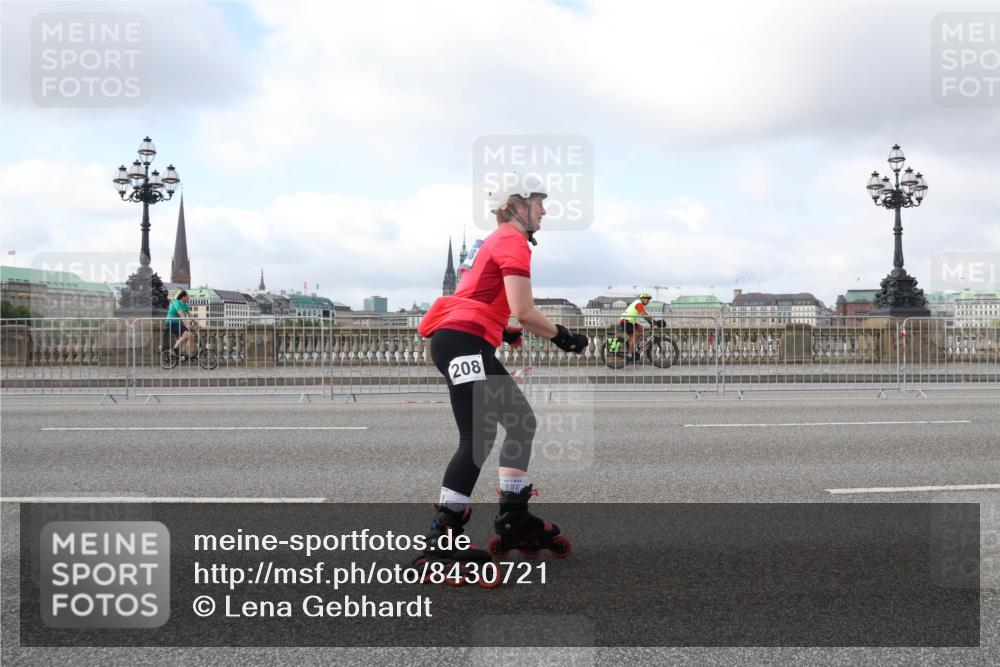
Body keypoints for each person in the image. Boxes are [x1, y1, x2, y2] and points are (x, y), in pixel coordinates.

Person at [416, 172, 587, 566]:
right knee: (477, 437)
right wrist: (565, 337)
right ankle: (445, 533)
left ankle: (513, 514)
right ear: (517, 205)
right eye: (539, 202)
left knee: (521, 422)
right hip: (463, 342)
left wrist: (502, 329)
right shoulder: (513, 241)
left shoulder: (494, 241)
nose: (545, 210)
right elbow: (526, 311)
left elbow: (477, 296)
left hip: (465, 339)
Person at [618, 291, 665, 362]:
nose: (648, 301)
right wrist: (655, 321)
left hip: (630, 322)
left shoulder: (640, 304)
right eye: (647, 299)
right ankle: (630, 355)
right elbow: (644, 314)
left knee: (641, 329)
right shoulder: (638, 304)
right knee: (634, 335)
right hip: (625, 322)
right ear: (643, 299)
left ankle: (639, 344)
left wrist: (650, 322)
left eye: (649, 299)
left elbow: (644, 316)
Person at [165, 291, 197, 359]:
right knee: (186, 335)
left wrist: (196, 322)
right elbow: (182, 315)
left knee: (190, 336)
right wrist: (187, 324)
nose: (189, 298)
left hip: (178, 323)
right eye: (188, 297)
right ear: (183, 297)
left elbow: (190, 314)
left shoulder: (184, 305)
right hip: (171, 323)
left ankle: (183, 352)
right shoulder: (177, 303)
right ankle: (174, 349)